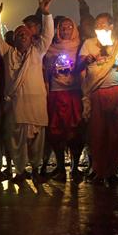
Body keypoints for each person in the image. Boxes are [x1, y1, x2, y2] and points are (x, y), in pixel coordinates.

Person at [0, 0, 57, 183]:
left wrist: (45, 13)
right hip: (16, 107)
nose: (22, 36)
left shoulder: (38, 52)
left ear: (31, 37)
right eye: (18, 34)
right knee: (16, 142)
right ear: (14, 39)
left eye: (25, 34)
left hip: (36, 106)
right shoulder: (7, 53)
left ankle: (35, 170)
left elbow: (48, 34)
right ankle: (20, 172)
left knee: (37, 143)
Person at [79, 13, 118, 185]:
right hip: (96, 93)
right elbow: (78, 66)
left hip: (115, 92)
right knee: (97, 134)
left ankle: (112, 171)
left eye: (104, 24)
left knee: (115, 134)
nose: (100, 28)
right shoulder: (88, 44)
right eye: (97, 25)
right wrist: (86, 59)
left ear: (111, 27)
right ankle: (98, 170)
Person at [44, 17, 84, 181]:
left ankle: (75, 167)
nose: (66, 30)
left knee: (76, 130)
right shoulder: (51, 49)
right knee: (55, 131)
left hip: (74, 91)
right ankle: (60, 166)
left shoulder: (80, 46)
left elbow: (83, 68)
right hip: (56, 92)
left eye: (69, 27)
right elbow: (45, 72)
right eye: (62, 27)